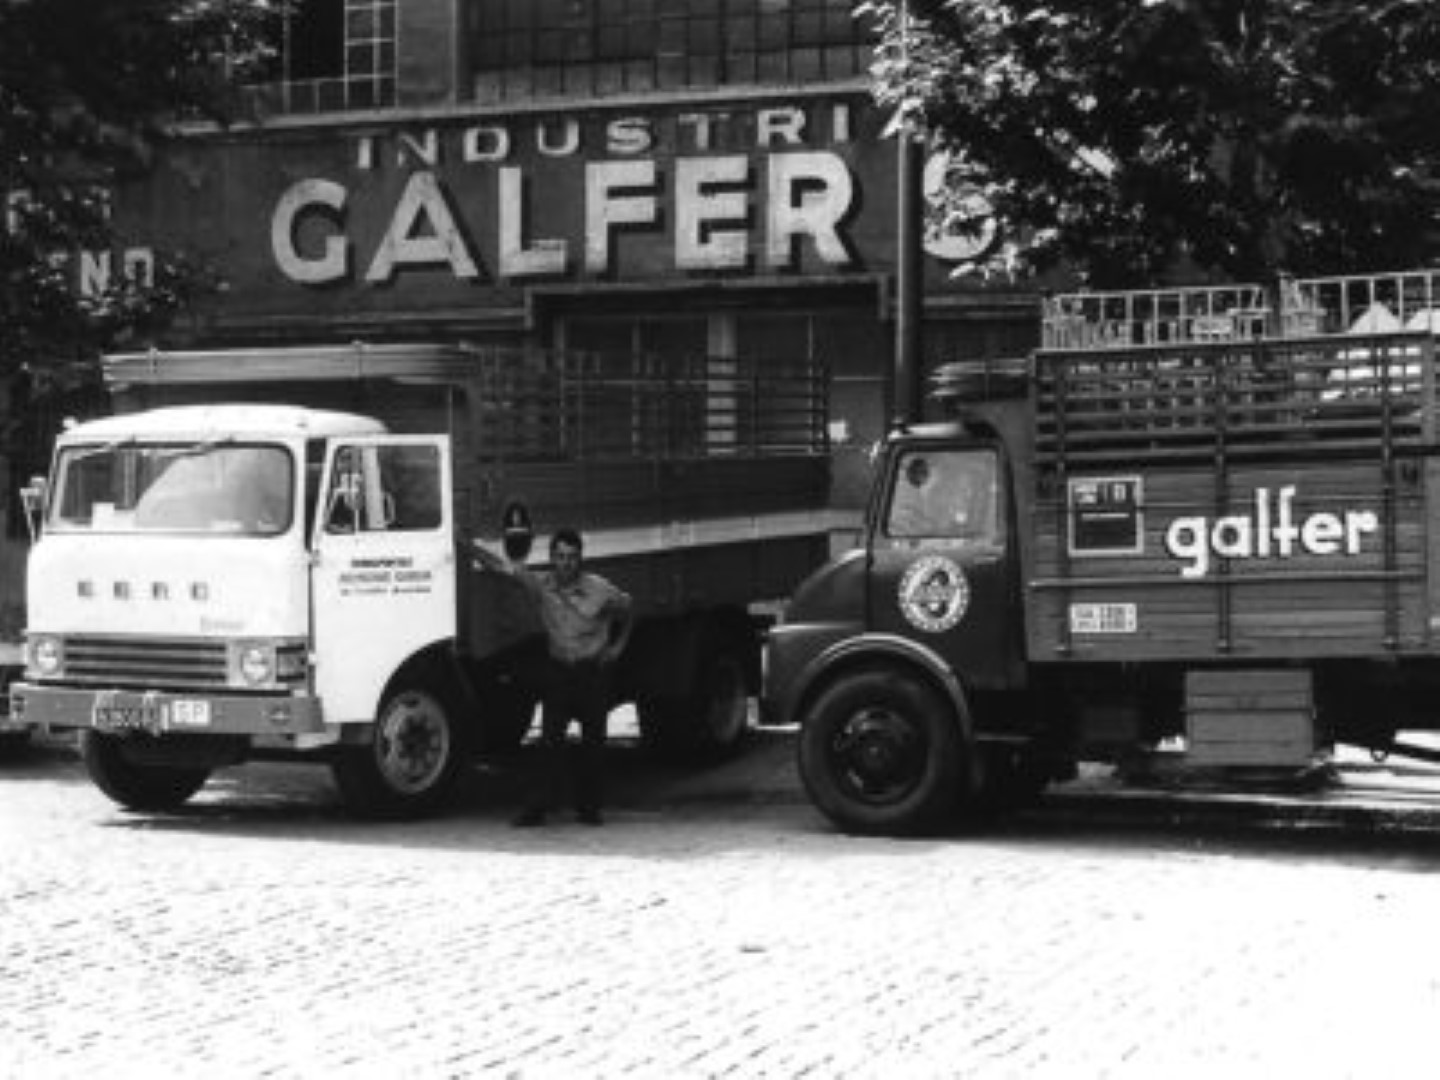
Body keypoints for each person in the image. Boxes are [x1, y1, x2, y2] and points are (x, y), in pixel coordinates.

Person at [475, 526, 634, 826]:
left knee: (593, 745)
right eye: (560, 556)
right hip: (559, 672)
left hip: (591, 673)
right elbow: (499, 567)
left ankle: (589, 810)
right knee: (549, 744)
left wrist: (617, 647)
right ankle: (537, 809)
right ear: (551, 559)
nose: (566, 563)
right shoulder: (541, 586)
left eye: (572, 557)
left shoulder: (599, 588)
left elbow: (628, 608)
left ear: (580, 559)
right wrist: (462, 544)